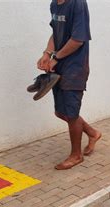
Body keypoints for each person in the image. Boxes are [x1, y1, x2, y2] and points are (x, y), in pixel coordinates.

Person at [37, 0, 101, 170]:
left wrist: (55, 58)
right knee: (61, 112)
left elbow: (78, 39)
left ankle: (76, 155)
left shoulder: (77, 3)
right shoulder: (54, 4)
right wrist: (47, 53)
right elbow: (55, 33)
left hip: (75, 67)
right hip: (59, 66)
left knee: (71, 114)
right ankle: (93, 133)